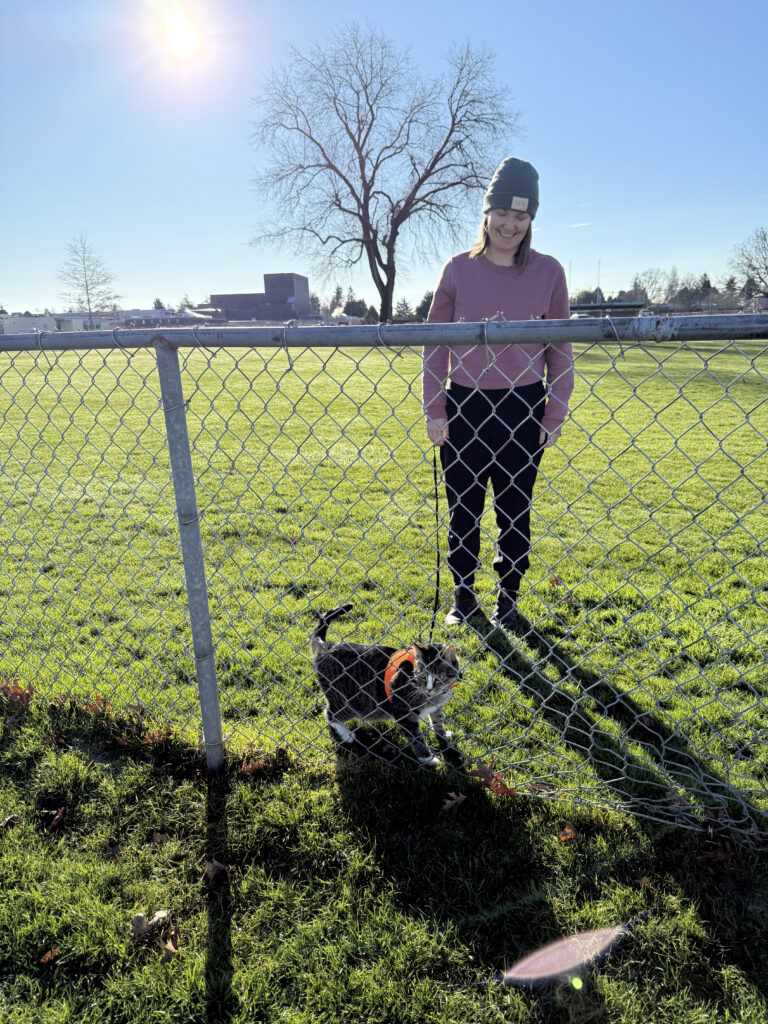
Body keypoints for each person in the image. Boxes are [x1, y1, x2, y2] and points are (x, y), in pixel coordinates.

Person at [422, 156, 574, 628]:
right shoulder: (457, 270)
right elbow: (434, 346)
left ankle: (507, 598)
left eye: (521, 216)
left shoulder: (549, 272)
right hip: (464, 404)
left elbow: (561, 350)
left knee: (514, 507)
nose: (510, 225)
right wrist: (435, 409)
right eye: (503, 213)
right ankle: (463, 596)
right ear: (487, 214)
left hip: (523, 404)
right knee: (462, 506)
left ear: (531, 221)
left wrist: (553, 416)